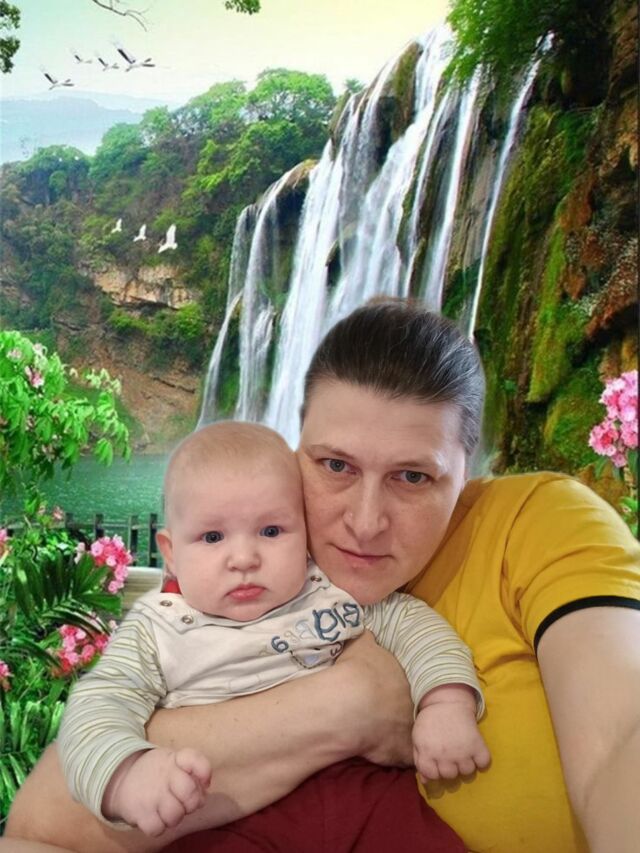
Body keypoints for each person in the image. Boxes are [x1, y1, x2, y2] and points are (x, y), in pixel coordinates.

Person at [4, 300, 640, 853]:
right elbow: (46, 811)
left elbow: (620, 738)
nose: (365, 523)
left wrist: (444, 699)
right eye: (335, 465)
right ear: (296, 449)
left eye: (413, 476)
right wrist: (355, 705)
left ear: (466, 468)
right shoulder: (232, 567)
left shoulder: (533, 525)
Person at [56, 420, 487, 842]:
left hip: (366, 792)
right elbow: (98, 704)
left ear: (305, 533)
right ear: (171, 553)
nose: (244, 558)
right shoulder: (157, 629)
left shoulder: (329, 592)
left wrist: (445, 702)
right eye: (212, 537)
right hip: (234, 812)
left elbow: (415, 626)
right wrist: (126, 774)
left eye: (271, 531)